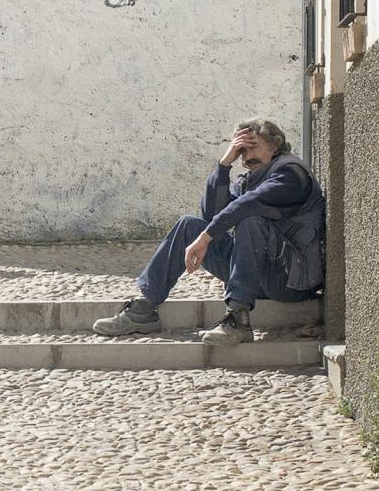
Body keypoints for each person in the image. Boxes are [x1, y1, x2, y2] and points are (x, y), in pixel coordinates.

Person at [93, 119, 325, 346]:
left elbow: (247, 205)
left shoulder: (292, 174)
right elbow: (211, 214)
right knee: (188, 225)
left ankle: (237, 320)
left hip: (291, 280)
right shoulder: (250, 178)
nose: (247, 156)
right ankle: (144, 309)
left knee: (250, 220)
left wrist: (205, 239)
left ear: (274, 145)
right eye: (242, 150)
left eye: (253, 147)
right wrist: (224, 165)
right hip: (260, 274)